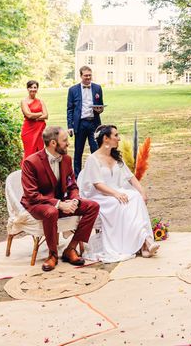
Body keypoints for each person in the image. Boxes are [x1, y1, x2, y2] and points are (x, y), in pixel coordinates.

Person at [20, 126, 100, 272]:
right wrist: (59, 204)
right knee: (51, 212)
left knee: (93, 206)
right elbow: (32, 195)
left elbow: (72, 186)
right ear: (53, 143)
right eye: (64, 141)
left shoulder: (67, 160)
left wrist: (74, 200)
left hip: (59, 203)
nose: (68, 144)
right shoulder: (31, 162)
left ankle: (70, 249)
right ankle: (52, 255)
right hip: (37, 205)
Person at [77, 124, 159, 262]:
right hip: (100, 196)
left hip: (116, 192)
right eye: (116, 135)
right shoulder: (93, 159)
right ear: (106, 139)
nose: (119, 139)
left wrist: (142, 191)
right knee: (121, 202)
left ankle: (145, 241)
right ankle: (144, 243)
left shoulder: (116, 158)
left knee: (135, 197)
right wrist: (115, 194)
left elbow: (131, 177)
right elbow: (98, 185)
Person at [67, 66, 105, 177]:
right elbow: (70, 109)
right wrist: (70, 126)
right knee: (78, 151)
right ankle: (77, 177)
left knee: (96, 150)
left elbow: (100, 105)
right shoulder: (73, 90)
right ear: (81, 76)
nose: (88, 77)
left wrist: (100, 110)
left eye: (90, 75)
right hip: (80, 124)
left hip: (94, 123)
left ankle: (97, 175)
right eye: (86, 75)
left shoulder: (97, 88)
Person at [20, 80, 48, 162]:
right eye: (31, 87)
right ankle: (27, 171)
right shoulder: (24, 101)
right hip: (28, 130)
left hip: (39, 130)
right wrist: (40, 113)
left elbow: (46, 115)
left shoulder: (40, 101)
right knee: (29, 152)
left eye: (35, 87)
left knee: (40, 151)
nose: (33, 89)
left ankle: (39, 171)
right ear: (27, 89)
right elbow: (28, 115)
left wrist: (35, 117)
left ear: (37, 89)